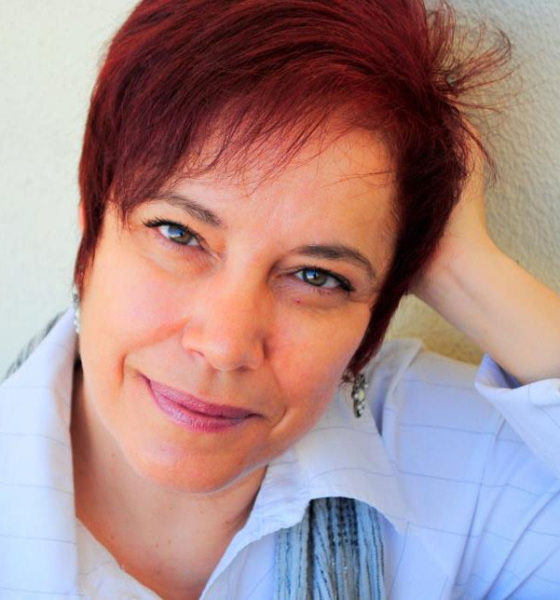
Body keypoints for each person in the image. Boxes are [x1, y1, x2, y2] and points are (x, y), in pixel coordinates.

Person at [1, 0, 559, 598]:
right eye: (179, 234)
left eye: (317, 276)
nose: (224, 345)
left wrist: (465, 272)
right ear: (93, 220)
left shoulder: (450, 459)